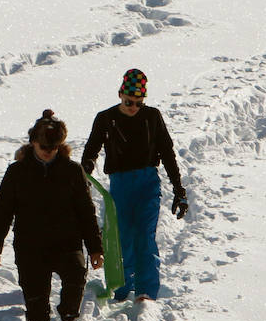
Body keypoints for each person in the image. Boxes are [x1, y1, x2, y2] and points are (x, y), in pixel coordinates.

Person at [0, 110, 104, 321]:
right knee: (36, 308)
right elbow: (2, 211)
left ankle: (69, 320)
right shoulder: (17, 172)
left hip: (67, 242)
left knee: (76, 276)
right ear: (33, 143)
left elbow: (86, 211)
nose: (49, 153)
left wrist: (95, 248)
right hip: (30, 246)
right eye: (44, 148)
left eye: (53, 149)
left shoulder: (72, 171)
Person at [80, 68, 188, 301]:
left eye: (139, 103)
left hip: (147, 182)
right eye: (129, 101)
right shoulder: (105, 118)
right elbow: (91, 150)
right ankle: (120, 287)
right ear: (120, 94)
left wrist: (179, 190)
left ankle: (146, 291)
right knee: (121, 237)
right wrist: (86, 168)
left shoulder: (153, 117)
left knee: (144, 236)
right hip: (120, 184)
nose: (133, 107)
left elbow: (168, 154)